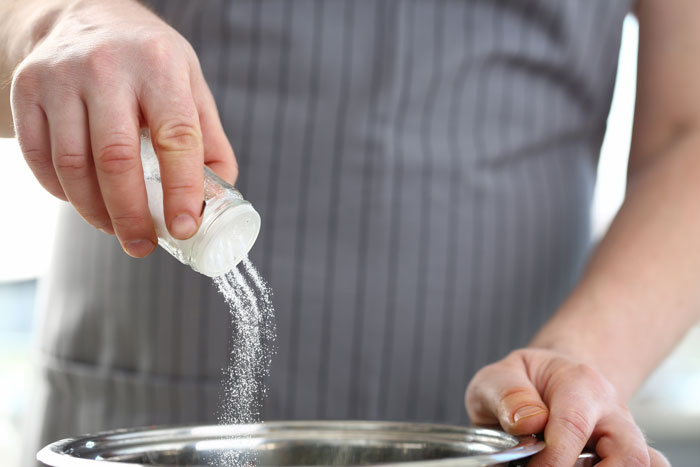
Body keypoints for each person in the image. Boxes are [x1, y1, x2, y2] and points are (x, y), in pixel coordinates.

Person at [0, 0, 691, 465]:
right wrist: (56, 21)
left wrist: (576, 363)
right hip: (150, 407)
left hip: (505, 428)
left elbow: (688, 131)